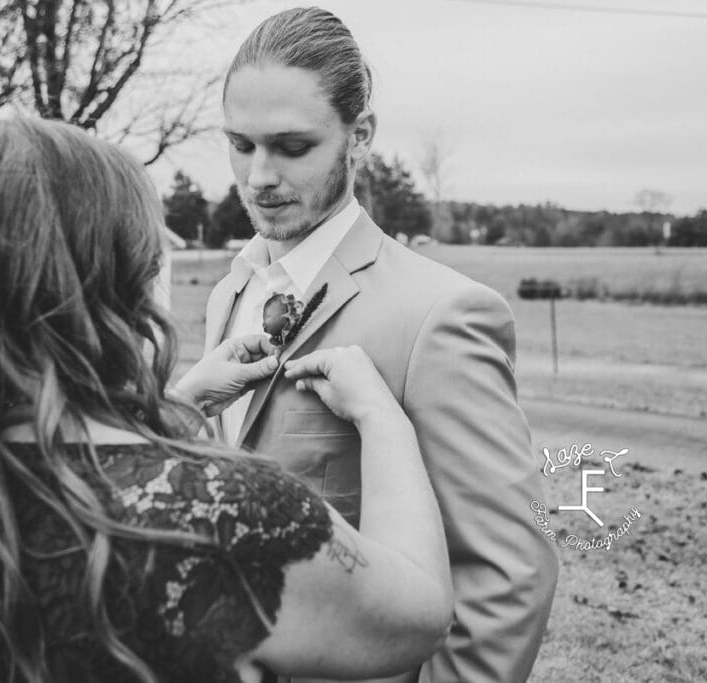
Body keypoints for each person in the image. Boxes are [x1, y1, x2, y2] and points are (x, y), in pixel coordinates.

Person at [0, 117, 454, 683]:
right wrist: (381, 418)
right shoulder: (225, 517)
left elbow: (63, 476)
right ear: (115, 278)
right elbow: (418, 613)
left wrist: (176, 408)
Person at [207, 8, 558, 681]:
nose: (258, 176)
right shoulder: (232, 291)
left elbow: (511, 572)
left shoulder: (442, 314)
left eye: (292, 146)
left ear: (358, 135)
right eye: (241, 144)